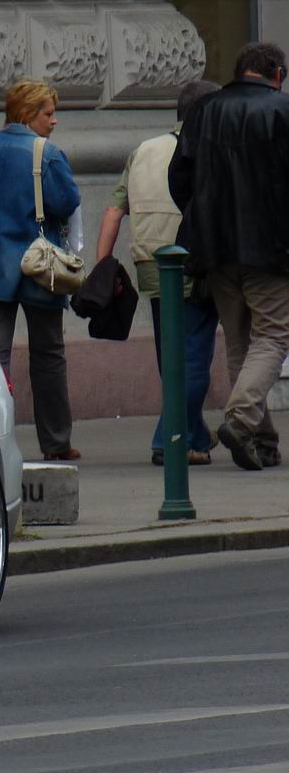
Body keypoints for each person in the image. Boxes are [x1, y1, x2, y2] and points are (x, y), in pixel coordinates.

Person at [168, 41, 289, 471]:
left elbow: (179, 177)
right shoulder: (281, 109)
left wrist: (201, 219)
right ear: (275, 72)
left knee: (240, 341)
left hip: (215, 247)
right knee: (274, 336)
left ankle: (261, 440)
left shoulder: (203, 110)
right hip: (270, 248)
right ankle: (240, 420)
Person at [94, 79, 221, 465]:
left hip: (151, 265)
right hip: (194, 264)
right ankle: (167, 439)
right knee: (195, 357)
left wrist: (103, 268)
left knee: (172, 358)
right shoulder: (208, 148)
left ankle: (194, 433)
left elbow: (114, 211)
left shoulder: (143, 151)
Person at [0, 78, 82, 460]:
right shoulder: (46, 153)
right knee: (47, 354)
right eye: (49, 114)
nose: (54, 121)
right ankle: (56, 442)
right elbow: (66, 200)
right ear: (29, 114)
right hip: (38, 264)